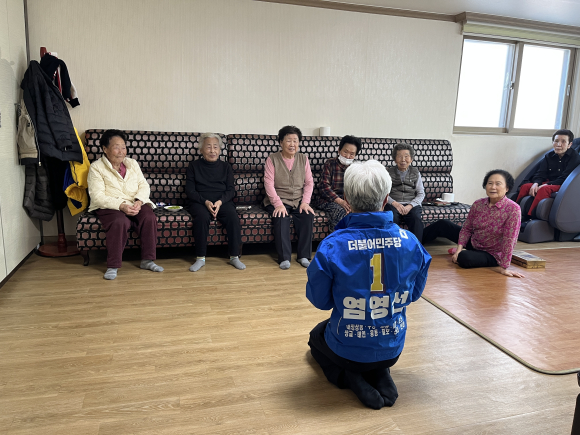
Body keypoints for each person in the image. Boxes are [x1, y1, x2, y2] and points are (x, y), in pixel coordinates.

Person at [306, 160, 431, 410]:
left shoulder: (332, 245)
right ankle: (381, 370)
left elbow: (321, 302)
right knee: (375, 336)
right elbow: (414, 294)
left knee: (316, 337)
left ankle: (350, 377)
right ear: (386, 199)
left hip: (349, 348)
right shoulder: (411, 242)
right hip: (393, 347)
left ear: (347, 200)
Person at [87, 129, 163, 280]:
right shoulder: (96, 167)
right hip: (110, 205)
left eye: (123, 147)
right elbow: (97, 196)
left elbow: (144, 185)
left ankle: (147, 260)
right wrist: (121, 205)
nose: (121, 151)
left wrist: (139, 201)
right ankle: (113, 265)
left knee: (149, 217)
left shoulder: (132, 163)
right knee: (120, 221)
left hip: (134, 202)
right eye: (116, 147)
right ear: (105, 149)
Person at [423, 169, 524, 278]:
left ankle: (468, 254)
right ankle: (411, 244)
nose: (493, 187)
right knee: (443, 224)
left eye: (498, 184)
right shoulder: (478, 204)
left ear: (507, 188)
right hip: (474, 242)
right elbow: (466, 229)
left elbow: (510, 239)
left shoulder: (513, 209)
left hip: (492, 254)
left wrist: (504, 267)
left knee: (464, 258)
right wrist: (458, 250)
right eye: (490, 183)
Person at [185, 133, 245, 272]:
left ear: (220, 149)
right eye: (208, 147)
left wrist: (220, 202)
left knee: (232, 217)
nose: (212, 150)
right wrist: (205, 202)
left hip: (222, 201)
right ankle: (200, 258)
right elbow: (190, 191)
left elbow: (231, 190)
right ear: (201, 149)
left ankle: (234, 256)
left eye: (215, 147)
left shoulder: (226, 167)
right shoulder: (193, 166)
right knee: (202, 217)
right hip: (200, 201)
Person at [263, 125, 314, 270]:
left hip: (298, 200)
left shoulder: (303, 159)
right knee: (281, 216)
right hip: (278, 200)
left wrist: (305, 202)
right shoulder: (272, 159)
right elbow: (268, 184)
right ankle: (284, 258)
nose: (292, 144)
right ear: (281, 142)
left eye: (295, 141)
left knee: (307, 215)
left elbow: (309, 183)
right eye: (288, 140)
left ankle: (303, 256)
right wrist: (278, 204)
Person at [515, 129, 580, 219]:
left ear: (570, 144)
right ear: (553, 142)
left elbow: (565, 177)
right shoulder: (548, 156)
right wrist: (536, 183)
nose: (559, 144)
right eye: (556, 141)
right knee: (525, 187)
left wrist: (547, 184)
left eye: (563, 142)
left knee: (544, 189)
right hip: (549, 182)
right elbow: (540, 173)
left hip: (564, 185)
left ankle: (531, 217)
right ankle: (515, 213)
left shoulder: (575, 157)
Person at [317, 135, 362, 231]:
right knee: (340, 211)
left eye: (352, 154)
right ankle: (336, 239)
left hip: (349, 201)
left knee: (361, 213)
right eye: (345, 152)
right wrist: (340, 201)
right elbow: (324, 187)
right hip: (329, 200)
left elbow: (360, 189)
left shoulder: (357, 167)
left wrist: (351, 204)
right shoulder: (330, 163)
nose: (348, 156)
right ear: (339, 150)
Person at [383, 143, 425, 241]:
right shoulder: (388, 173)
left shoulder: (415, 172)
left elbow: (421, 193)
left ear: (411, 159)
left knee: (415, 218)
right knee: (392, 217)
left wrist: (410, 205)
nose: (403, 160)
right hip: (393, 203)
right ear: (395, 159)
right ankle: (394, 244)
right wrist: (395, 203)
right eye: (399, 156)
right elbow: (384, 192)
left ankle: (416, 245)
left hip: (411, 203)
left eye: (406, 156)